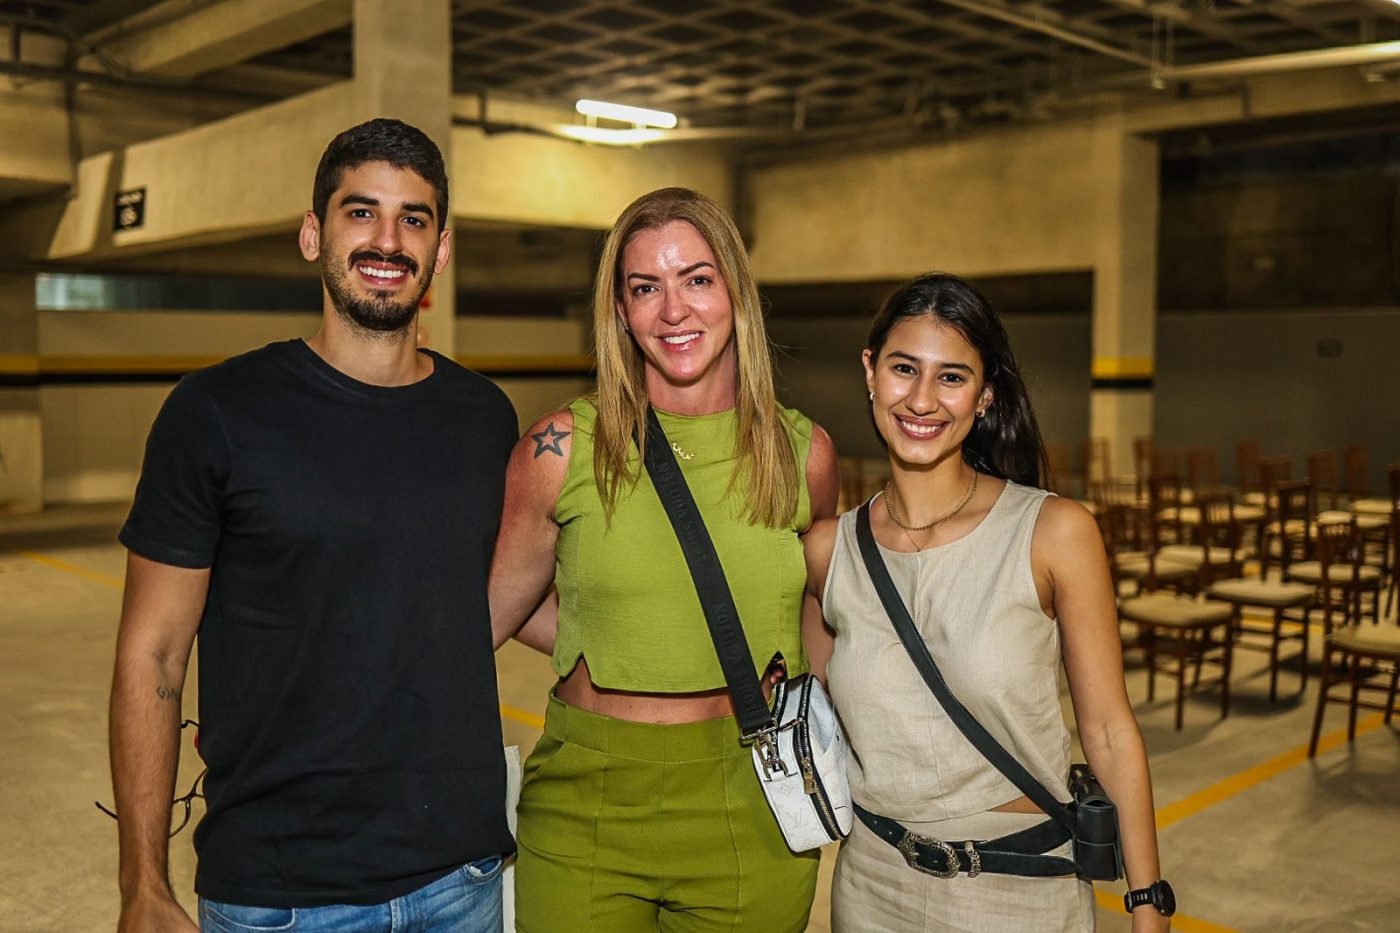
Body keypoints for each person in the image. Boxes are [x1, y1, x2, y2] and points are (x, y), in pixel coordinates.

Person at [109, 118, 518, 933]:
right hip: (280, 893)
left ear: (440, 252)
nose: (388, 239)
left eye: (414, 218)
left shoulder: (484, 417)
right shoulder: (217, 413)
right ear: (312, 234)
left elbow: (502, 596)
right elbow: (151, 654)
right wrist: (142, 884)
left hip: (460, 878)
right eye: (360, 211)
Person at [488, 186, 839, 932]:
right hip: (589, 794)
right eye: (645, 287)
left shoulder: (802, 453)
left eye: (697, 279)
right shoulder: (561, 449)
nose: (673, 311)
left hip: (749, 797)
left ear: (736, 293)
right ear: (620, 310)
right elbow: (492, 611)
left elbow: (811, 616)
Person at [803, 273, 1171, 932]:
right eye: (903, 368)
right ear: (870, 371)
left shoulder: (1053, 532)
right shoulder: (831, 552)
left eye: (952, 377)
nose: (921, 398)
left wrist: (1147, 904)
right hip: (871, 888)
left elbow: (1111, 730)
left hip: (1019, 889)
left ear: (985, 393)